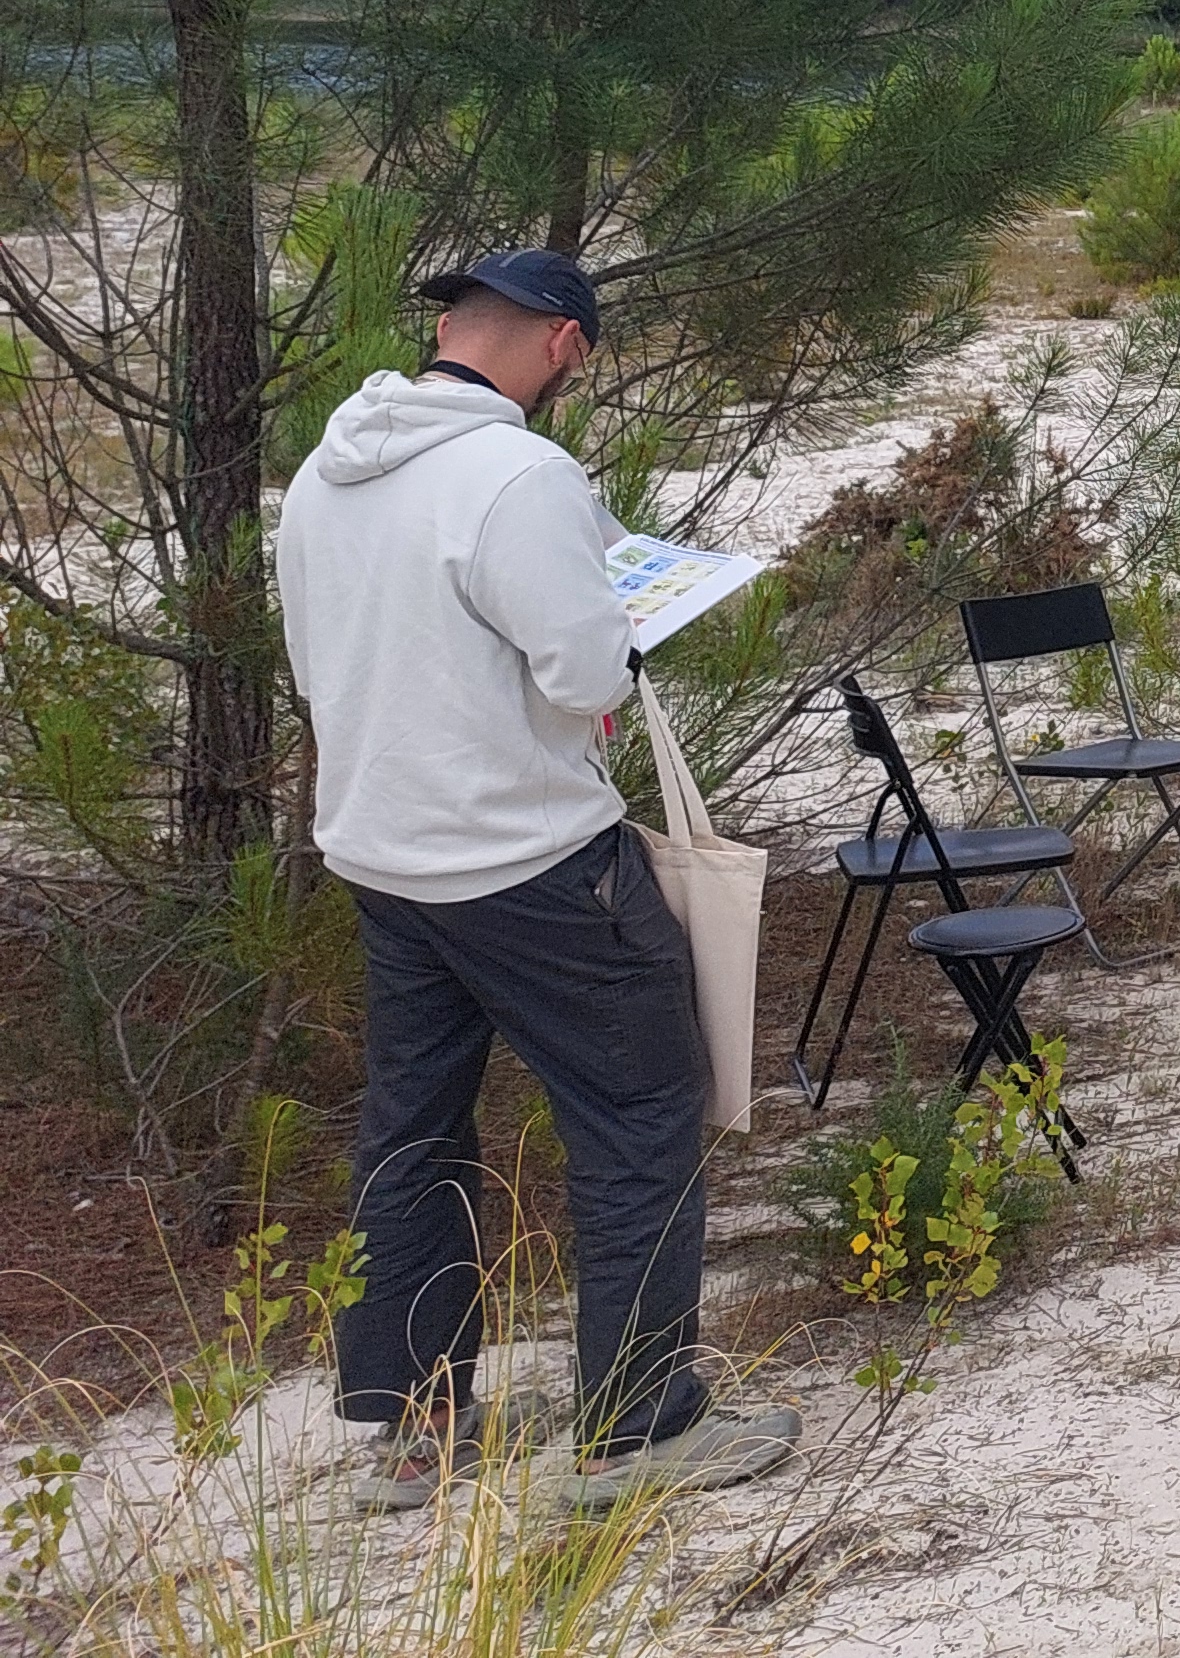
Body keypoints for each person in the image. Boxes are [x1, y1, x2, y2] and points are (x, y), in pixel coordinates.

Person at [278, 252, 800, 1513]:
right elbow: (584, 675)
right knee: (638, 1116)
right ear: (565, 347)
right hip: (525, 859)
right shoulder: (521, 475)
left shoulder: (326, 472)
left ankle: (413, 1433)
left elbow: (321, 658)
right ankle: (636, 1431)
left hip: (382, 855)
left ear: (450, 330)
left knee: (411, 1132)